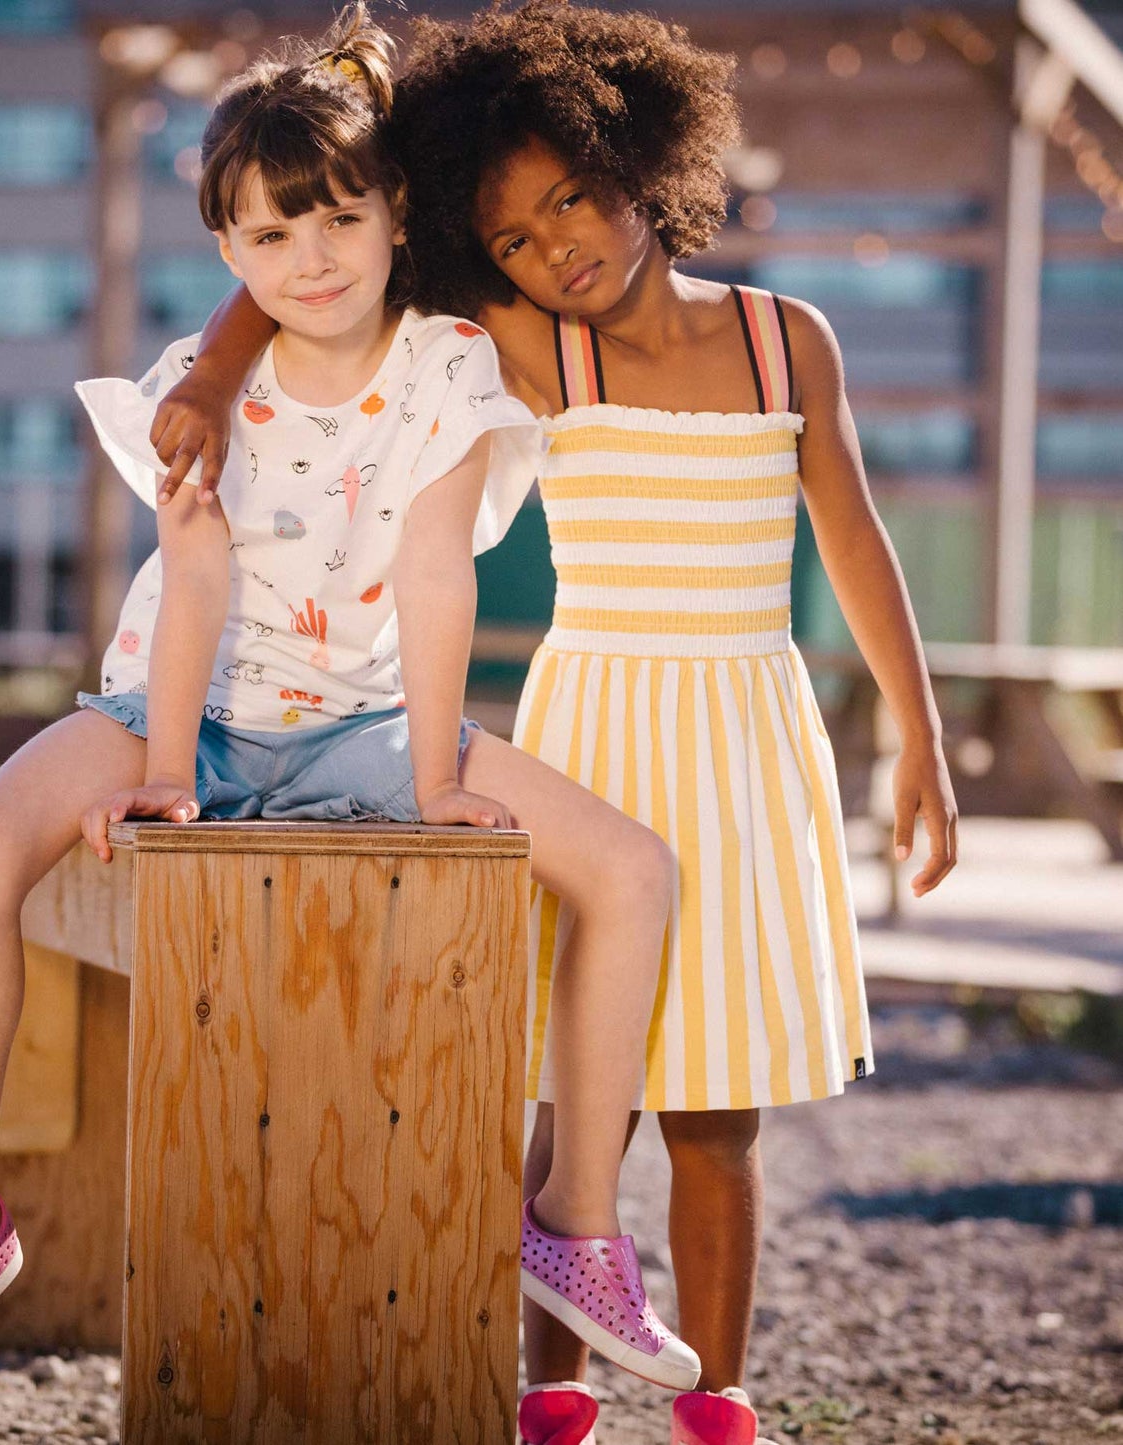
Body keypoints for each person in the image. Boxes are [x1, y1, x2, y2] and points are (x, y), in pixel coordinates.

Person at [0, 5, 701, 1416]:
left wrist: (436, 776)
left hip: (366, 724)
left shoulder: (442, 364)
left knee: (631, 867)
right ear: (228, 252)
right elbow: (191, 584)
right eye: (266, 235)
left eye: (336, 222)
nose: (308, 259)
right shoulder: (208, 384)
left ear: (391, 219)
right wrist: (167, 767)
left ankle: (576, 1219)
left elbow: (434, 569)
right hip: (180, 705)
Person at [149, 6, 959, 1442]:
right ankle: (554, 1394)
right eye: (512, 236)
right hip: (596, 724)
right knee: (573, 1090)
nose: (553, 248)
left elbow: (852, 536)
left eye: (571, 201)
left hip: (751, 738)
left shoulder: (786, 343)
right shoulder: (515, 344)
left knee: (721, 1110)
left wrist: (918, 737)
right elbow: (315, 258)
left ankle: (715, 1394)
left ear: (638, 163)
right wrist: (210, 377)